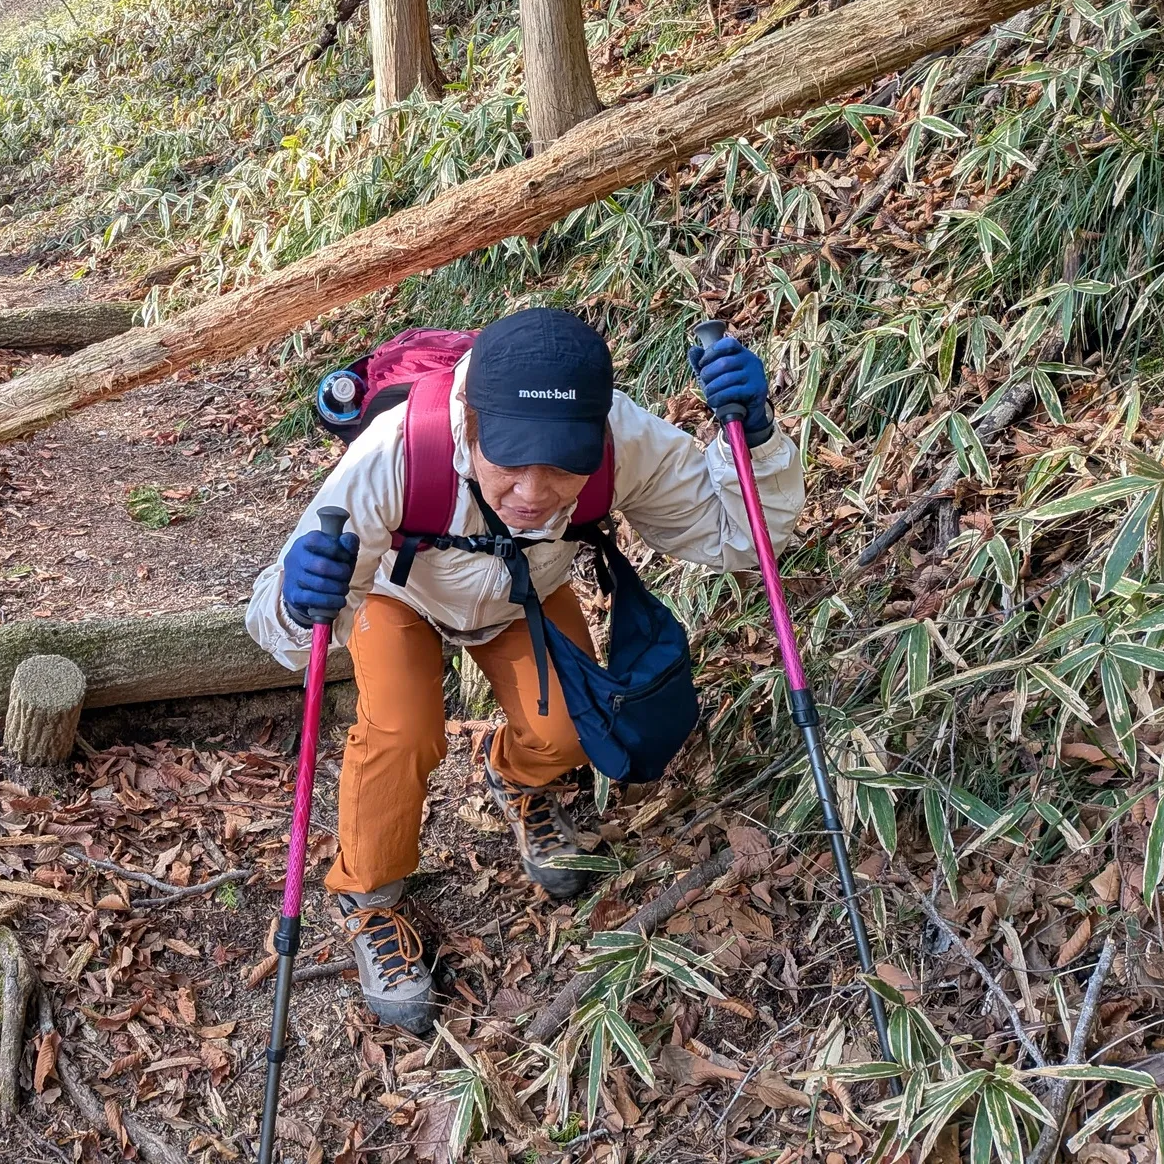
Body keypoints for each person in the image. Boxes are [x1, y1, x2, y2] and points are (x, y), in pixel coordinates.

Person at [245, 307, 802, 1033]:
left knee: (572, 726)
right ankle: (368, 896)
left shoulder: (623, 440)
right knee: (402, 733)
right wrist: (297, 597)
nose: (535, 494)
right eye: (508, 463)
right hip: (397, 593)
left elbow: (736, 535)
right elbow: (278, 628)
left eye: (563, 467)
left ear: (597, 435)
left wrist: (752, 438)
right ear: (469, 428)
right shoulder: (395, 451)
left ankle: (520, 781)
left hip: (521, 595)